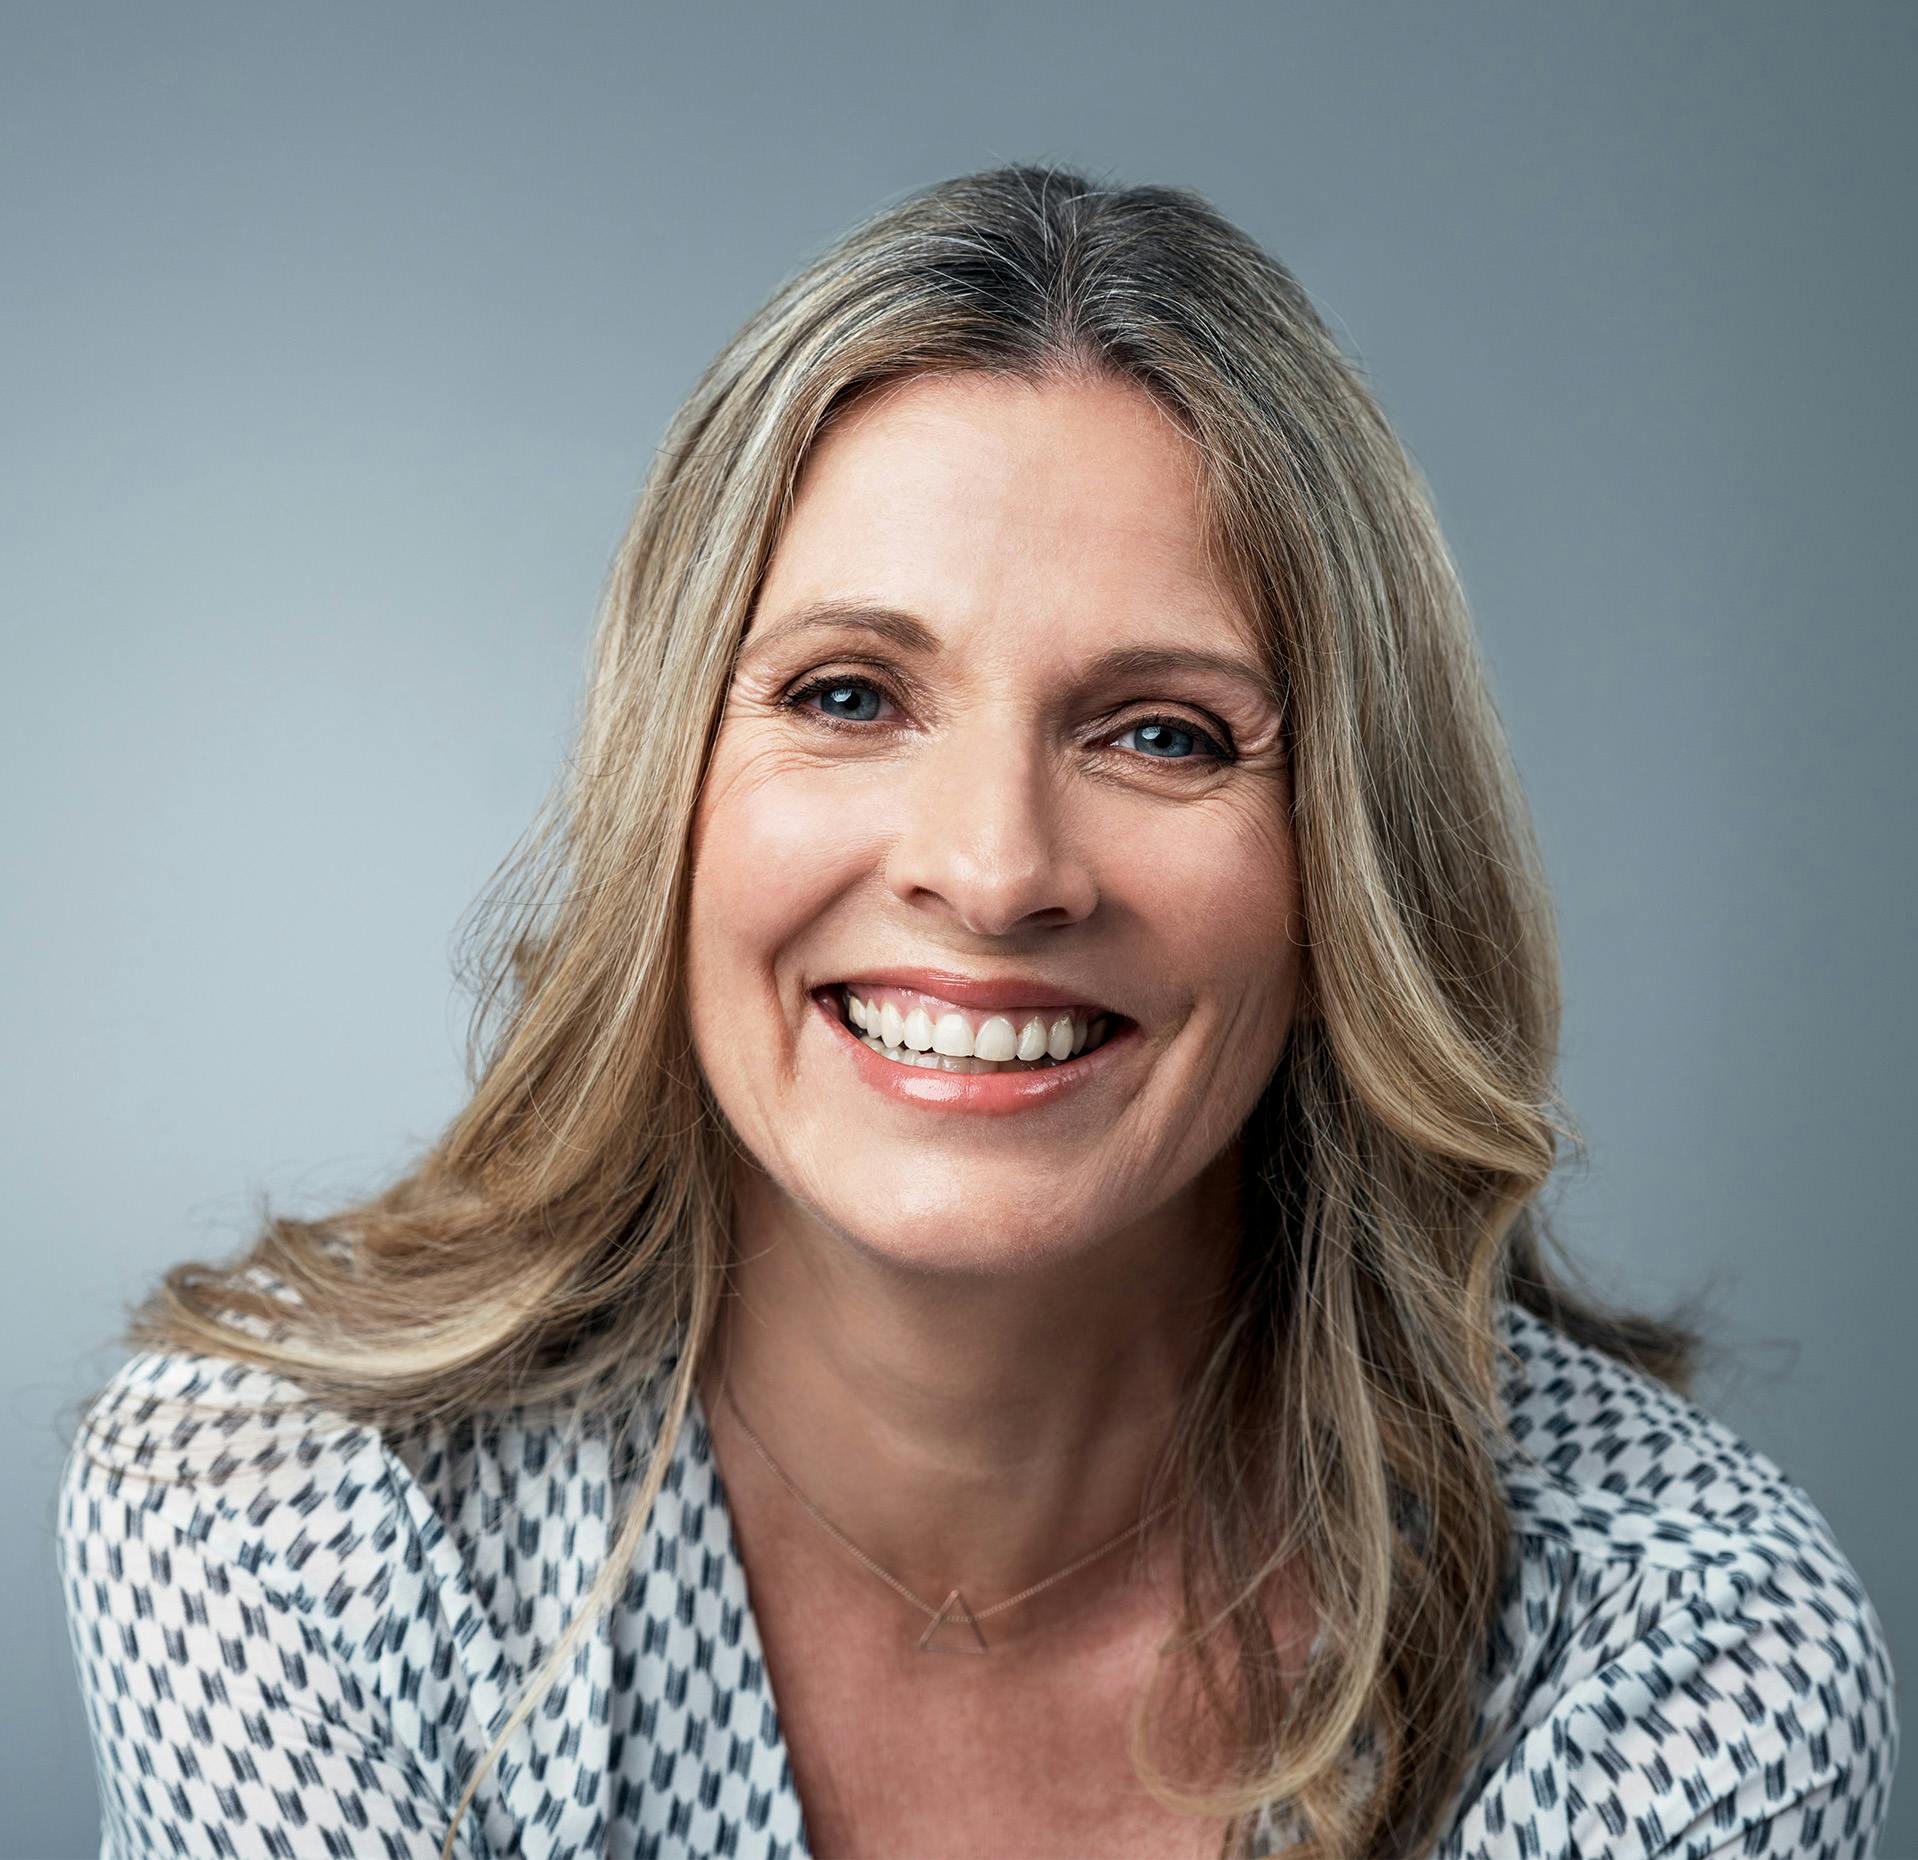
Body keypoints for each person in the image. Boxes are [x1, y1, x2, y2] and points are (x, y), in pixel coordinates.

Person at [57, 164, 1897, 1860]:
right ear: (665, 792)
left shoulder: (1679, 1652)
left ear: (1348, 864)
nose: (995, 869)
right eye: (849, 696)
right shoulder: (282, 1511)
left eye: (1162, 733)